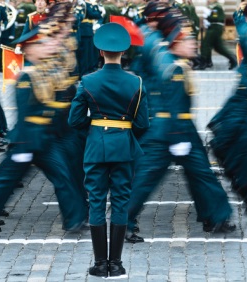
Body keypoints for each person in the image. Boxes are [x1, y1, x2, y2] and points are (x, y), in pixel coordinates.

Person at [0, 20, 88, 242]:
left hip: (43, 140)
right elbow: (23, 114)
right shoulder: (26, 77)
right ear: (31, 49)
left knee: (64, 177)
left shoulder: (43, 72)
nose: (47, 47)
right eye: (42, 44)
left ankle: (75, 220)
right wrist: (23, 146)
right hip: (27, 142)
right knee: (4, 184)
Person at [126, 12, 236, 243]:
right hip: (167, 133)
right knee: (145, 180)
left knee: (203, 174)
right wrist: (177, 138)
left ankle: (217, 215)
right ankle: (120, 222)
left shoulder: (173, 60)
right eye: (188, 40)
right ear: (176, 42)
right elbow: (172, 104)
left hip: (180, 129)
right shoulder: (172, 67)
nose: (193, 44)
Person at [68, 23, 149, 278]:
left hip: (95, 147)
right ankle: (117, 263)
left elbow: (75, 120)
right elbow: (143, 123)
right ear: (123, 53)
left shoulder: (88, 81)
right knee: (121, 201)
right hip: (124, 146)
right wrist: (123, 132)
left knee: (96, 201)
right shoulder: (135, 82)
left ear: (100, 52)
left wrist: (94, 131)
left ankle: (100, 263)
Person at [198, 0, 237, 70]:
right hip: (215, 27)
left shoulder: (216, 7)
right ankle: (233, 58)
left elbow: (214, 17)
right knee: (219, 47)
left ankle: (203, 62)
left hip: (214, 28)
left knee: (205, 44)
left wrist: (207, 16)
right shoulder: (215, 6)